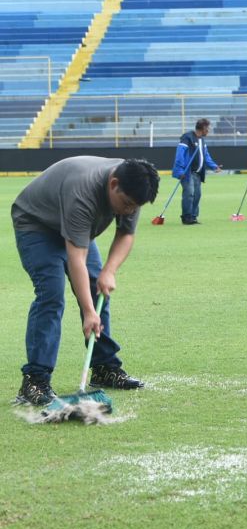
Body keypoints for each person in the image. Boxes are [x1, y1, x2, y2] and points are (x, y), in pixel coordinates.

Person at [11, 156, 160, 406]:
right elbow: (76, 258)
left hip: (77, 229)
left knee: (98, 288)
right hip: (37, 224)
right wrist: (90, 312)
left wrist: (109, 271)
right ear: (113, 184)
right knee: (51, 295)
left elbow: (126, 234)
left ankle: (104, 368)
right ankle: (35, 379)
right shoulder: (83, 191)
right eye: (127, 204)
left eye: (136, 207)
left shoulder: (134, 184)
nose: (129, 211)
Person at [172, 118, 220, 225]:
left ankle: (193, 216)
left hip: (197, 174)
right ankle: (186, 217)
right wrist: (180, 170)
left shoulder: (202, 140)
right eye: (207, 128)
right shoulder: (187, 138)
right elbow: (180, 154)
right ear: (203, 128)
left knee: (197, 195)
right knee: (189, 194)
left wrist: (214, 166)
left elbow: (206, 156)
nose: (209, 130)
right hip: (187, 172)